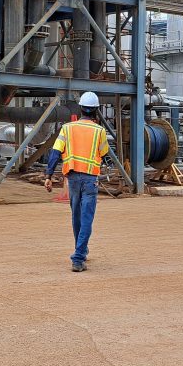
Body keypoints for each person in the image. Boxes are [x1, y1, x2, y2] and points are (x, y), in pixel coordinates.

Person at [46, 92, 109, 272]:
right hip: (90, 180)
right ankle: (78, 257)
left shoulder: (67, 128)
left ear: (80, 108)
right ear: (96, 110)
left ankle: (80, 249)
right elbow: (104, 153)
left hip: (72, 179)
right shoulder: (99, 131)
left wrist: (48, 176)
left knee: (77, 216)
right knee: (87, 218)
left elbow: (55, 152)